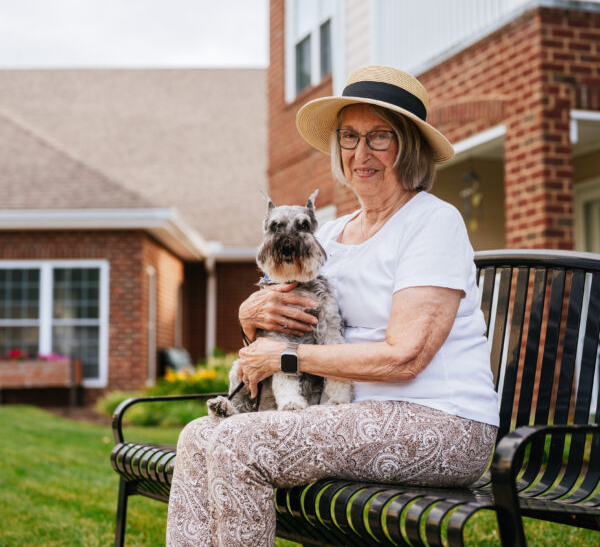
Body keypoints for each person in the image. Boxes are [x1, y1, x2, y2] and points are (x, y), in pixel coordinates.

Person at [166, 65, 499, 547]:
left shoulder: (432, 223)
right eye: (349, 137)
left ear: (409, 146)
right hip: (344, 412)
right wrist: (250, 320)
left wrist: (285, 358)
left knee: (241, 444)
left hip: (441, 422)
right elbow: (292, 322)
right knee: (198, 436)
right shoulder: (332, 234)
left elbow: (406, 356)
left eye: (379, 137)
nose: (360, 152)